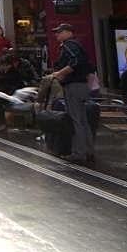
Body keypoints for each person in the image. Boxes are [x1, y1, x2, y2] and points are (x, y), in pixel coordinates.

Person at [51, 23, 95, 164]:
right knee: (83, 120)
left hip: (73, 86)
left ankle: (78, 153)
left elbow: (75, 61)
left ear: (68, 32)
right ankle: (88, 150)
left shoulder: (68, 45)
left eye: (59, 32)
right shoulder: (78, 45)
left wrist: (60, 73)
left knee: (75, 120)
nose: (57, 35)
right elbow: (88, 66)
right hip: (82, 86)